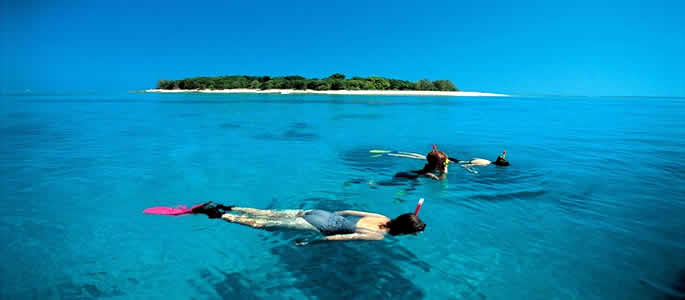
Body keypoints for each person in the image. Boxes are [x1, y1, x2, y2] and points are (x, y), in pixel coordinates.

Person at [191, 201, 426, 245]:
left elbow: (350, 210)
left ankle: (228, 206)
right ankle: (219, 215)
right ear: (404, 231)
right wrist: (312, 243)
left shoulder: (382, 217)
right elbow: (340, 238)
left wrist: (334, 213)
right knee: (260, 225)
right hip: (317, 227)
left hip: (321, 212)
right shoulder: (378, 236)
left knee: (267, 213)